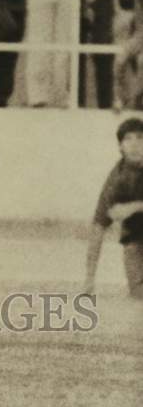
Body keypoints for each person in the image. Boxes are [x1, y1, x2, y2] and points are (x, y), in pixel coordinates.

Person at [83, 117, 143, 299]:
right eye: (128, 139)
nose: (134, 144)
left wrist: (134, 206)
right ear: (120, 147)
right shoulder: (117, 179)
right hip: (136, 240)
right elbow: (98, 227)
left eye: (140, 138)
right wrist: (89, 278)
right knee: (138, 296)